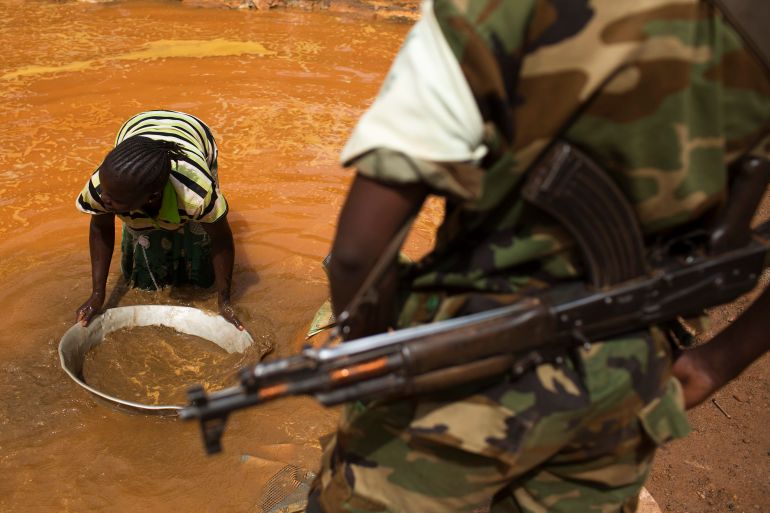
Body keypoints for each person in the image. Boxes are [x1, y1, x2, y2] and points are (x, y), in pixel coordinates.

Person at [308, 1, 770, 512]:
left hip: (467, 373)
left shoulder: (499, 9)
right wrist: (716, 362)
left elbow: (356, 253)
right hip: (623, 390)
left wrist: (376, 362)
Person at [75, 110, 243, 330]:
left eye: (115, 200)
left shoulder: (197, 194)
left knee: (197, 235)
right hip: (135, 129)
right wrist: (98, 294)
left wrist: (225, 302)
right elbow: (101, 229)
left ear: (153, 197)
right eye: (105, 193)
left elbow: (220, 238)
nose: (104, 199)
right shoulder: (103, 186)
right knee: (140, 232)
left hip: (195, 134)